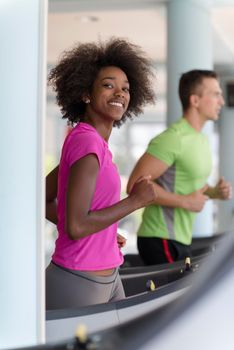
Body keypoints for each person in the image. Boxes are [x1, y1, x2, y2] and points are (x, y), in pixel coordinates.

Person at [45, 37, 157, 309]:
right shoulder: (87, 143)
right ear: (86, 93)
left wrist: (103, 233)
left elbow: (43, 198)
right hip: (79, 280)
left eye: (125, 88)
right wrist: (135, 201)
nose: (120, 93)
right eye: (108, 85)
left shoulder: (93, 143)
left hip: (107, 275)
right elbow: (77, 226)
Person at [127, 69, 232, 265]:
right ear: (195, 100)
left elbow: (187, 185)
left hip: (180, 239)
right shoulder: (173, 138)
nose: (222, 102)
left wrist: (214, 192)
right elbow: (135, 184)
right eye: (216, 94)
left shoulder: (200, 139)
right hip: (159, 238)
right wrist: (185, 202)